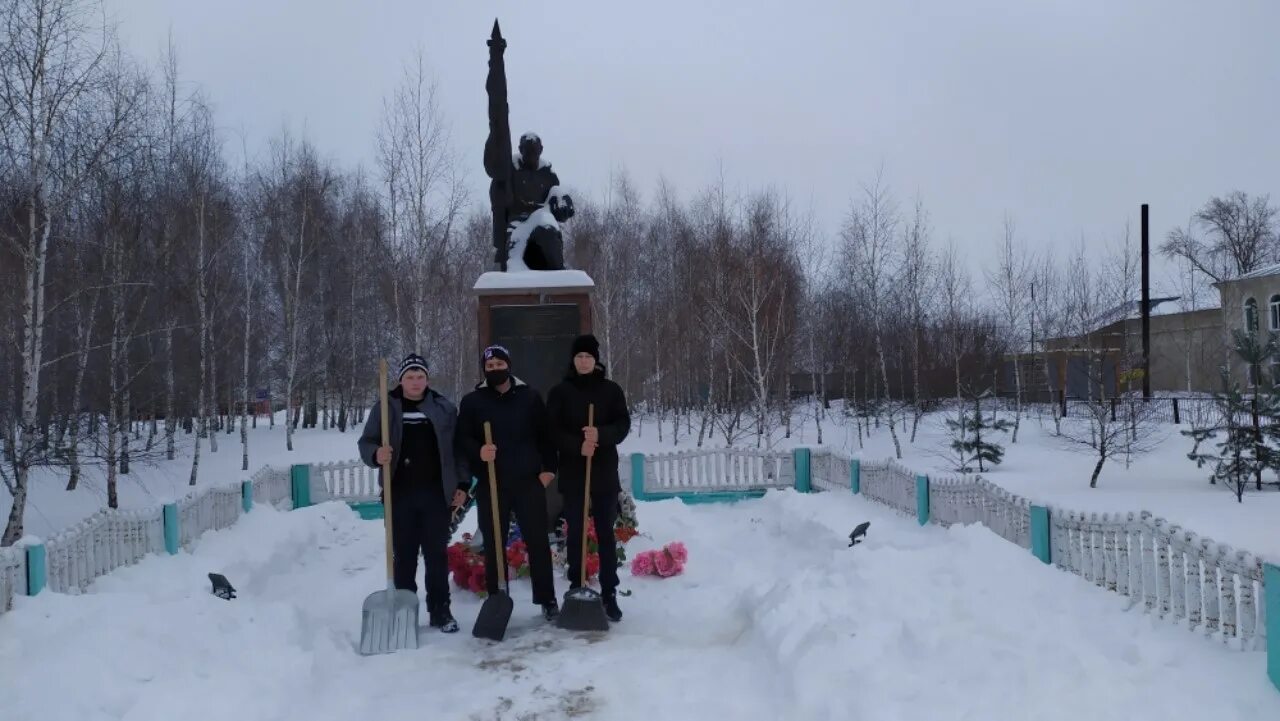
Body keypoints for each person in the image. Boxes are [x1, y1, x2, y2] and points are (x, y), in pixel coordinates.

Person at [357, 354, 469, 633]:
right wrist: (376, 453)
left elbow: (458, 450)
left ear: (427, 380)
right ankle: (404, 612)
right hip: (400, 493)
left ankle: (440, 610)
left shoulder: (444, 408)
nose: (416, 382)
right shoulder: (386, 408)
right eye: (410, 377)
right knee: (404, 555)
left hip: (435, 493)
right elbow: (366, 441)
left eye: (420, 377)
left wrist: (463, 485)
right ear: (401, 380)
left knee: (436, 554)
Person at [455, 345, 561, 621]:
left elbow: (546, 436)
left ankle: (547, 598)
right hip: (493, 483)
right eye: (489, 367)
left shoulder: (530, 397)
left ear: (509, 366)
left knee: (538, 541)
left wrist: (548, 470)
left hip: (528, 482)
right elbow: (462, 439)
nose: (495, 370)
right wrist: (479, 451)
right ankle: (497, 597)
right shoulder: (473, 402)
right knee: (494, 542)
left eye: (499, 364)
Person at [546, 334, 631, 622]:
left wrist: (601, 435)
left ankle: (609, 593)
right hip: (573, 472)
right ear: (573, 360)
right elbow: (552, 430)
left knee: (606, 534)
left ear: (596, 360)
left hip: (604, 472)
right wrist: (576, 445)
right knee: (576, 534)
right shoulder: (560, 392)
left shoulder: (610, 391)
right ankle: (576, 586)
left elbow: (623, 424)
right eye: (579, 356)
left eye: (589, 357)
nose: (584, 361)